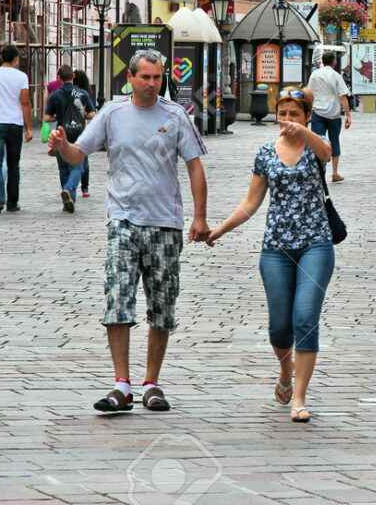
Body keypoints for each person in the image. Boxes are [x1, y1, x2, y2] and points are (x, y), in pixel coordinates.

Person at [48, 49, 209, 414]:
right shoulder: (113, 113)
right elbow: (79, 154)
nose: (152, 84)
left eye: (158, 78)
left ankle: (151, 382)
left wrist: (199, 217)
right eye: (146, 77)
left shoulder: (176, 116)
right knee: (117, 300)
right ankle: (121, 383)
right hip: (122, 219)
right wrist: (62, 146)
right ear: (131, 78)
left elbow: (195, 167)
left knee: (161, 306)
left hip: (165, 222)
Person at [201, 87, 334, 424]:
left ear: (306, 116)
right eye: (283, 114)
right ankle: (285, 369)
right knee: (279, 327)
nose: (287, 121)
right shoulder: (264, 152)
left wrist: (305, 132)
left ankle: (300, 397)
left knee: (304, 318)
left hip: (315, 244)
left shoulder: (313, 146)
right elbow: (251, 202)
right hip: (275, 247)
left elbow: (327, 152)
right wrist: (220, 229)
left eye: (295, 114)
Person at [0, 45, 33, 214]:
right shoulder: (21, 77)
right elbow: (25, 102)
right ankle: (12, 202)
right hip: (15, 123)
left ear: (2, 57)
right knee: (13, 165)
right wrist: (28, 128)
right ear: (16, 59)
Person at [44, 65, 97, 212]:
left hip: (62, 132)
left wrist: (57, 116)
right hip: (80, 131)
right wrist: (82, 115)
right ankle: (69, 191)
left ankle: (68, 194)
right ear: (73, 77)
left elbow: (47, 117)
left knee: (63, 167)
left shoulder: (54, 95)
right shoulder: (82, 93)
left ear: (59, 78)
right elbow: (92, 114)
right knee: (78, 165)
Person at [307, 51, 352, 183]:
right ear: (334, 62)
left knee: (317, 143)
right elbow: (343, 96)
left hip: (318, 112)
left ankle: (318, 173)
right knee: (334, 141)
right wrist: (348, 115)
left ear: (322, 61)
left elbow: (309, 94)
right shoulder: (336, 75)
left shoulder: (314, 75)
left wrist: (308, 112)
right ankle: (335, 173)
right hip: (334, 113)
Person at [73, 70, 95, 197]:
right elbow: (91, 113)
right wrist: (84, 115)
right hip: (82, 128)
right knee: (84, 158)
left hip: (66, 128)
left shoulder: (69, 92)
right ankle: (85, 188)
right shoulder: (86, 93)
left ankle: (69, 185)